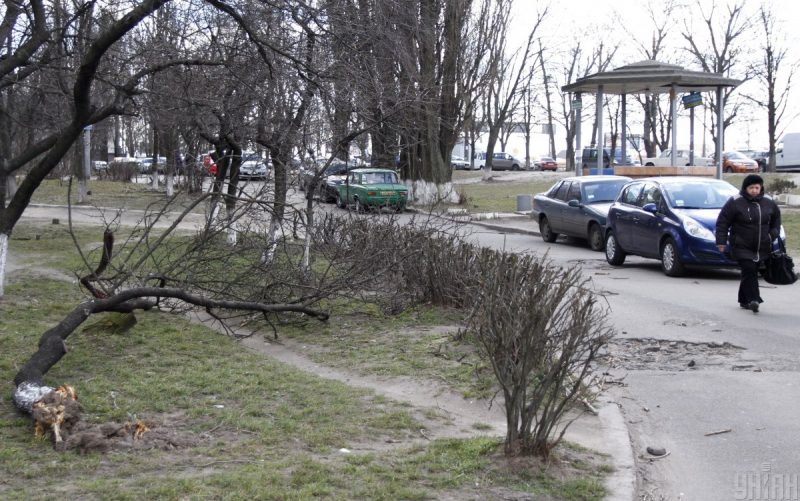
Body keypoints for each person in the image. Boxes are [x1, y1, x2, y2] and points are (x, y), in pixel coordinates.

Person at [715, 174, 782, 313]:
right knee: (749, 268)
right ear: (745, 188)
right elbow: (723, 222)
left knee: (750, 272)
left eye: (757, 187)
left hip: (762, 245)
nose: (754, 190)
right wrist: (721, 241)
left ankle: (743, 299)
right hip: (741, 244)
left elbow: (776, 221)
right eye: (751, 188)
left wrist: (771, 236)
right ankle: (754, 299)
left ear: (761, 187)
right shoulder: (735, 202)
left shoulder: (769, 202)